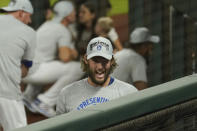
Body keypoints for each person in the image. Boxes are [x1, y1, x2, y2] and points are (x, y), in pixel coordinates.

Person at [22, 1, 84, 117]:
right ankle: (45, 101)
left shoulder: (47, 24)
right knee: (78, 67)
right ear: (67, 15)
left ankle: (28, 96)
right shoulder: (62, 29)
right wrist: (74, 53)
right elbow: (65, 57)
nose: (75, 14)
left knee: (46, 61)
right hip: (34, 71)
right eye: (73, 12)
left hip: (25, 71)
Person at [56, 36, 138, 114]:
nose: (99, 67)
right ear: (86, 59)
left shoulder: (129, 93)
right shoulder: (66, 94)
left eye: (104, 61)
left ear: (112, 60)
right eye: (95, 60)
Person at [0, 0, 36, 130]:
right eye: (29, 16)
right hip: (8, 94)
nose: (30, 21)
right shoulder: (29, 32)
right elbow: (24, 70)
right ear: (21, 13)